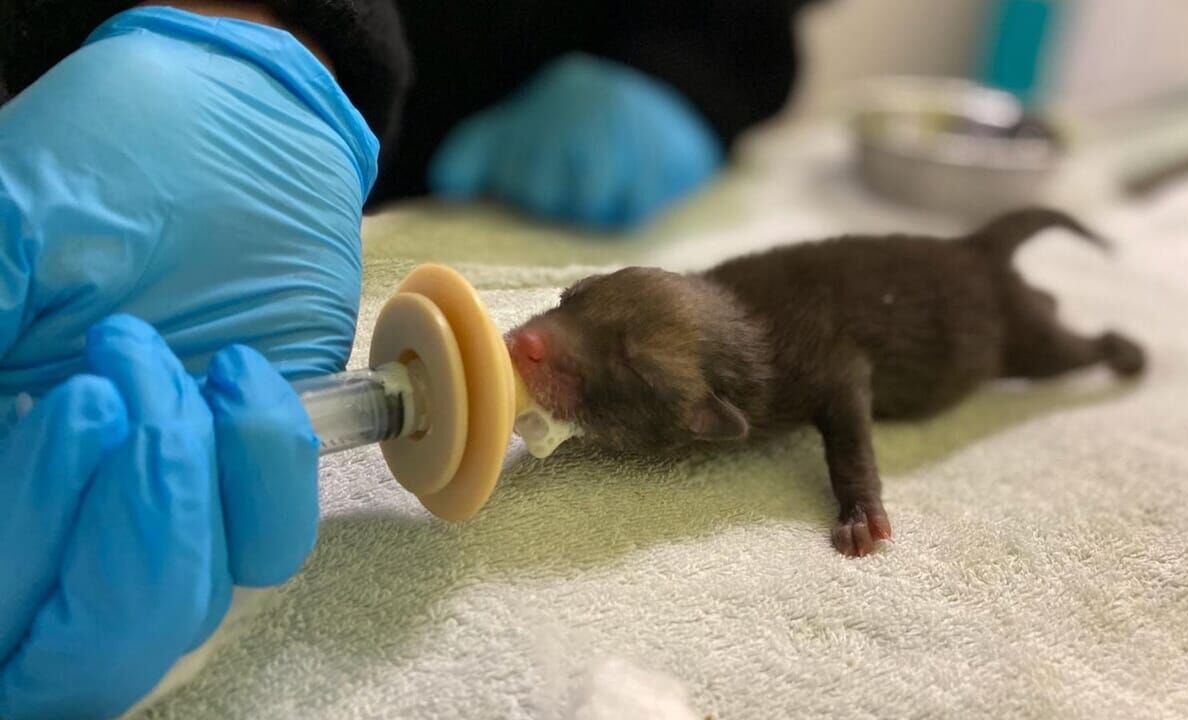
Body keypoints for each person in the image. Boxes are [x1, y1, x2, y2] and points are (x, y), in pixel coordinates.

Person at [0, 1, 806, 716]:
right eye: (570, 303)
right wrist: (245, 37)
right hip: (266, 134)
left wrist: (699, 61)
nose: (530, 340)